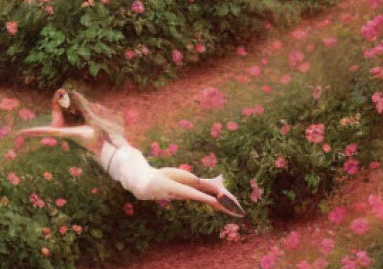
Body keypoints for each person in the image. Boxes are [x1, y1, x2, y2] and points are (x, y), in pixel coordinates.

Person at [16, 88, 245, 218]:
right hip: (131, 158)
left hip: (128, 169)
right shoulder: (103, 125)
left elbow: (53, 131)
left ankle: (210, 198)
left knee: (151, 184)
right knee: (159, 175)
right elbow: (60, 124)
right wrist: (58, 104)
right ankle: (213, 185)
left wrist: (25, 131)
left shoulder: (86, 133)